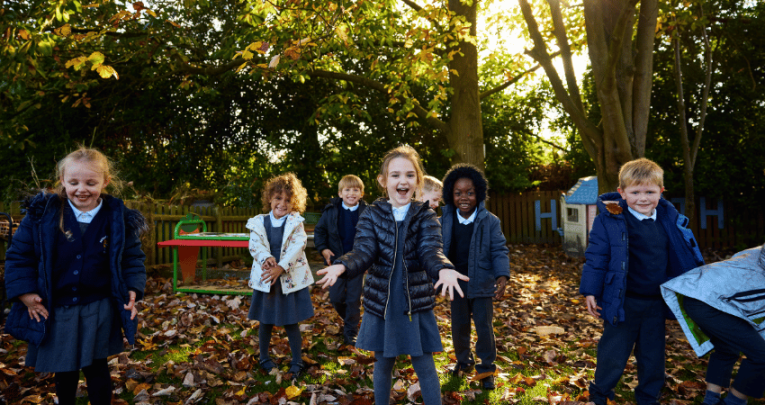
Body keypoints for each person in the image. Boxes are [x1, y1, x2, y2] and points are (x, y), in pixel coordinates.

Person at [316, 145, 467, 405]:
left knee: (424, 363)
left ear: (418, 181)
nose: (402, 181)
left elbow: (431, 250)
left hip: (414, 302)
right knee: (382, 361)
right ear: (383, 181)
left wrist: (444, 268)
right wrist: (342, 265)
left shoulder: (426, 216)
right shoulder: (371, 215)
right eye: (395, 175)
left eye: (409, 175)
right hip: (382, 303)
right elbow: (363, 250)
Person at [4, 146, 147, 405]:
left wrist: (133, 288)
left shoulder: (118, 218)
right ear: (62, 180)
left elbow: (132, 258)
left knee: (96, 366)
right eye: (74, 182)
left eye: (91, 182)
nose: (82, 189)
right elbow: (19, 256)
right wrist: (25, 293)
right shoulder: (42, 215)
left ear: (105, 181)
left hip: (98, 306)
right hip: (59, 307)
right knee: (65, 367)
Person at [579, 158, 704, 405]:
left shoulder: (670, 219)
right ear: (622, 193)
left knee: (653, 355)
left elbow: (683, 252)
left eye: (650, 191)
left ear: (661, 192)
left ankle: (648, 397)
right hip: (622, 301)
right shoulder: (610, 220)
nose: (643, 198)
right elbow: (596, 256)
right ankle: (600, 394)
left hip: (656, 302)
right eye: (635, 192)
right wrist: (590, 291)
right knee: (613, 353)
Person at [662, 244, 765, 405]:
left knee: (727, 348)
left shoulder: (756, 254)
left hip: (701, 294)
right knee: (761, 355)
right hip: (706, 301)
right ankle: (733, 402)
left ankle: (710, 400)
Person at [439, 164, 509, 390]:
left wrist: (502, 276)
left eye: (469, 192)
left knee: (483, 327)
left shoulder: (490, 221)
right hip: (456, 284)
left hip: (482, 283)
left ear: (478, 193)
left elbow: (499, 250)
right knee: (459, 326)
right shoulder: (444, 220)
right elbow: (436, 250)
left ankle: (486, 368)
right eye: (458, 193)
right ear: (451, 194)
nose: (464, 197)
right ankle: (463, 361)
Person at [246, 172, 314, 381]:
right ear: (269, 199)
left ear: (295, 203)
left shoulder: (295, 223)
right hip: (267, 280)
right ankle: (264, 358)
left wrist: (281, 267)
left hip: (287, 280)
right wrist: (266, 258)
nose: (282, 204)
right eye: (278, 198)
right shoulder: (259, 222)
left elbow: (297, 247)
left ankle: (297, 361)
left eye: (288, 200)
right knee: (265, 321)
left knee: (290, 322)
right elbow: (255, 244)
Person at [313, 174, 368, 345]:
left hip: (357, 263)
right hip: (335, 262)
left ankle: (351, 331)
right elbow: (320, 232)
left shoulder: (367, 212)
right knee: (336, 298)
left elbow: (372, 237)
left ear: (361, 193)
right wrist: (323, 249)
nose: (351, 193)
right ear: (340, 193)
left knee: (353, 298)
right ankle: (351, 320)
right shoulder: (331, 212)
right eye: (347, 190)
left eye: (355, 190)